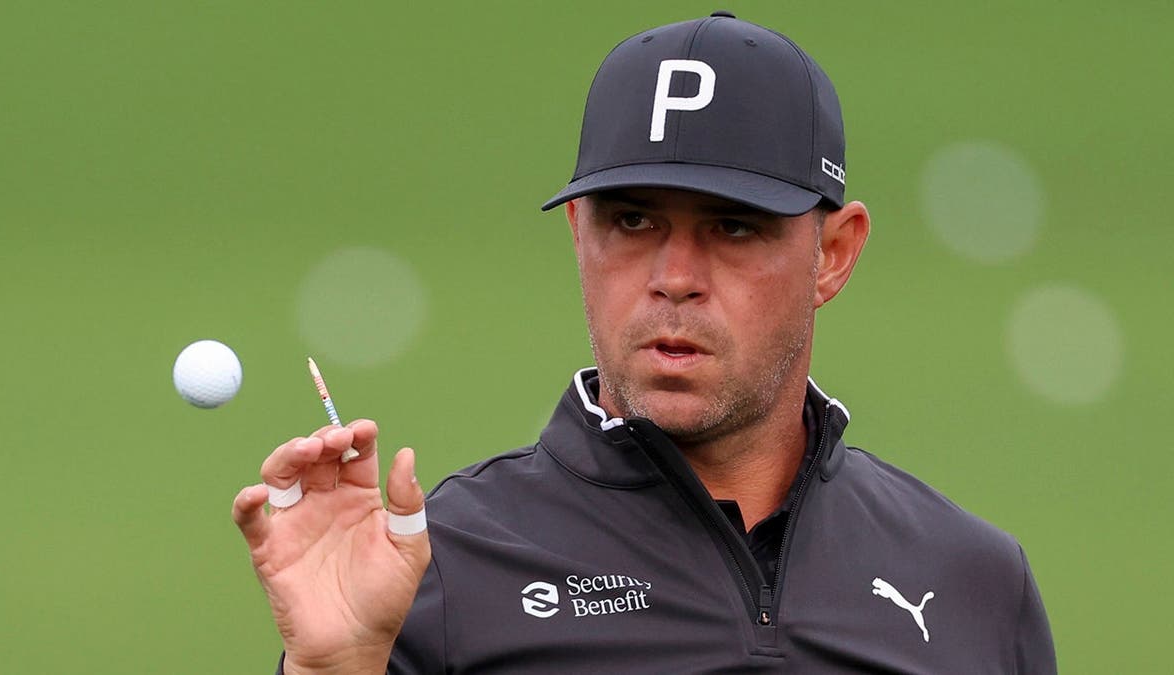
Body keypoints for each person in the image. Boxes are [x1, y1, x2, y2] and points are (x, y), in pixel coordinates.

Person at [232, 12, 1057, 674]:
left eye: (733, 227)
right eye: (633, 220)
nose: (675, 276)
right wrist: (336, 669)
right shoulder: (436, 574)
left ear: (832, 255)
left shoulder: (972, 582)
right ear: (579, 236)